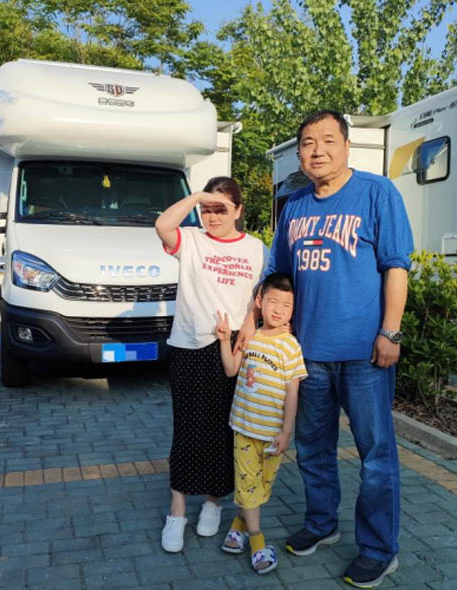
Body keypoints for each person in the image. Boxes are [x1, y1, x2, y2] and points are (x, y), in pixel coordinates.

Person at [238, 110, 413, 588]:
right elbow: (275, 274)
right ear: (299, 153)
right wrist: (252, 321)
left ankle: (379, 549)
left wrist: (390, 333)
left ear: (347, 145)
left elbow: (396, 267)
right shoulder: (295, 205)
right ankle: (321, 523)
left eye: (328, 140)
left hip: (364, 355)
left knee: (375, 454)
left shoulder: (378, 193)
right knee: (313, 447)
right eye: (308, 143)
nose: (318, 150)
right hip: (306, 354)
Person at [155, 176, 268, 553]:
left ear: (239, 210)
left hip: (233, 347)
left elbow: (261, 295)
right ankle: (177, 511)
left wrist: (250, 323)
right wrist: (197, 197)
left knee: (223, 429)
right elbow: (162, 224)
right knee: (186, 427)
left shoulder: (256, 248)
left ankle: (214, 502)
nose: (212, 216)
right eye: (207, 209)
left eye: (221, 209)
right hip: (189, 344)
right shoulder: (191, 240)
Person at [217, 272, 307, 574]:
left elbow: (293, 391)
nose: (279, 310)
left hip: (272, 434)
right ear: (259, 301)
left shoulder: (290, 346)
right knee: (247, 485)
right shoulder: (250, 336)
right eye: (273, 302)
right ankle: (257, 542)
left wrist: (286, 432)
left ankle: (238, 525)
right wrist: (224, 341)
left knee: (262, 487)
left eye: (287, 305)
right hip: (244, 427)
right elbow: (231, 370)